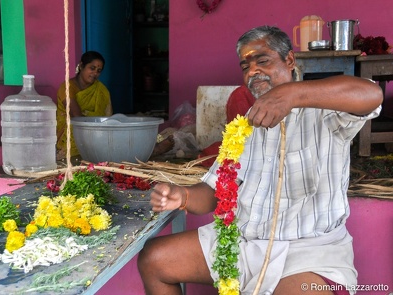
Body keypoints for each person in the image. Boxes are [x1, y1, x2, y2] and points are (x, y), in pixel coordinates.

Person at [137, 26, 383, 295]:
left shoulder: (325, 113)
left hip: (308, 252)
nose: (252, 71)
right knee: (154, 259)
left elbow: (371, 95)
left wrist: (292, 95)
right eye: (245, 65)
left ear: (289, 60)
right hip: (242, 243)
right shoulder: (244, 126)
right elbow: (214, 193)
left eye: (262, 60)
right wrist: (181, 196)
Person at [56, 51, 113, 161]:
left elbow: (108, 119)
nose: (95, 73)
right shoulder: (67, 87)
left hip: (95, 142)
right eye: (92, 68)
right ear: (81, 66)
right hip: (68, 141)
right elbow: (77, 117)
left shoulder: (102, 91)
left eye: (99, 71)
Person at [198, 85, 256, 167]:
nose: (252, 73)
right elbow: (236, 140)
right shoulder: (241, 95)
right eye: (245, 71)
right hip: (242, 146)